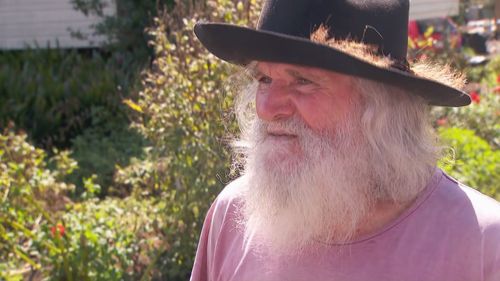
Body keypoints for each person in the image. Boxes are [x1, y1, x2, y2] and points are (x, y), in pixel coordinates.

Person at [190, 0, 500, 280]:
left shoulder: (482, 244)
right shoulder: (232, 216)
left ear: (381, 107)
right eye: (264, 79)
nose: (267, 108)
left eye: (303, 81)